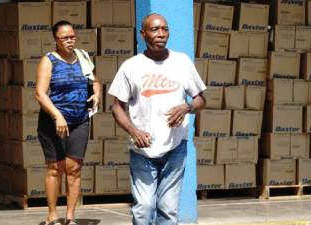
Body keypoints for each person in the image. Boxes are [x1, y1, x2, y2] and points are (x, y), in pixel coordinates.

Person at [108, 14, 206, 225]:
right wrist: (134, 131)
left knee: (168, 211)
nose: (161, 34)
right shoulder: (131, 66)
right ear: (143, 34)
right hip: (143, 150)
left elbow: (200, 99)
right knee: (143, 208)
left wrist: (187, 107)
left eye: (164, 29)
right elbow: (117, 107)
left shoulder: (181, 62)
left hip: (175, 147)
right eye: (154, 30)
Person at [35, 20, 101, 225]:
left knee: (74, 169)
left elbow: (95, 80)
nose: (69, 41)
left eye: (72, 36)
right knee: (55, 168)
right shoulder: (49, 61)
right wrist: (57, 115)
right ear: (56, 39)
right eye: (64, 38)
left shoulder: (82, 56)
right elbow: (39, 93)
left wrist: (97, 93)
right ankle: (52, 215)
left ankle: (70, 217)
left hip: (79, 120)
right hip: (53, 121)